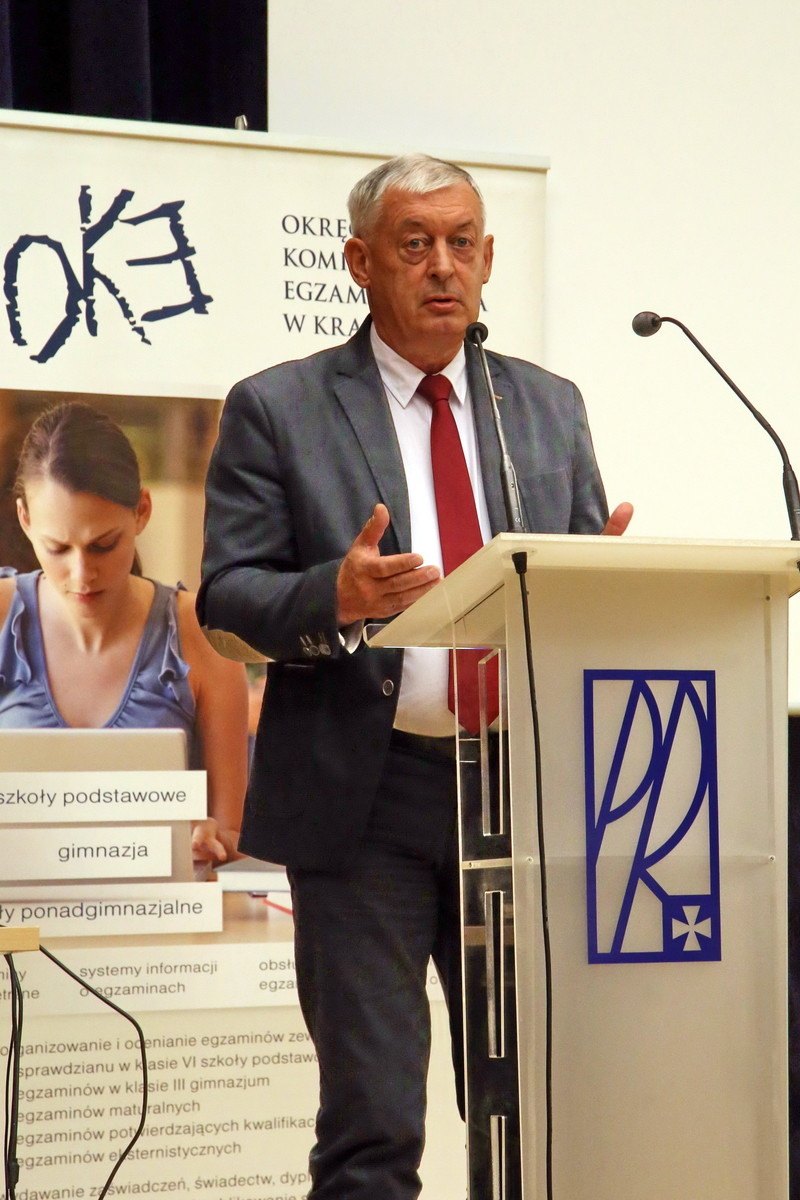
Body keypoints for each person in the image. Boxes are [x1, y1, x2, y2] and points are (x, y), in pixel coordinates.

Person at [198, 153, 633, 1199]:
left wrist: (602, 584)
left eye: (462, 243)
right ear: (360, 263)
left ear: (487, 258)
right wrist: (335, 596)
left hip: (519, 795)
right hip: (367, 797)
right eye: (414, 245)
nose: (443, 266)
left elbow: (570, 582)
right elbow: (224, 598)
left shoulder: (546, 407)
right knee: (374, 1125)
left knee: (532, 1107)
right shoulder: (281, 407)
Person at [0, 402, 248, 864]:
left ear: (142, 511)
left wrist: (212, 838)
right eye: (57, 548)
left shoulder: (198, 633)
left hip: (158, 902)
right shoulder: (2, 618)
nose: (81, 574)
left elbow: (232, 831)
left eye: (103, 545)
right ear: (25, 520)